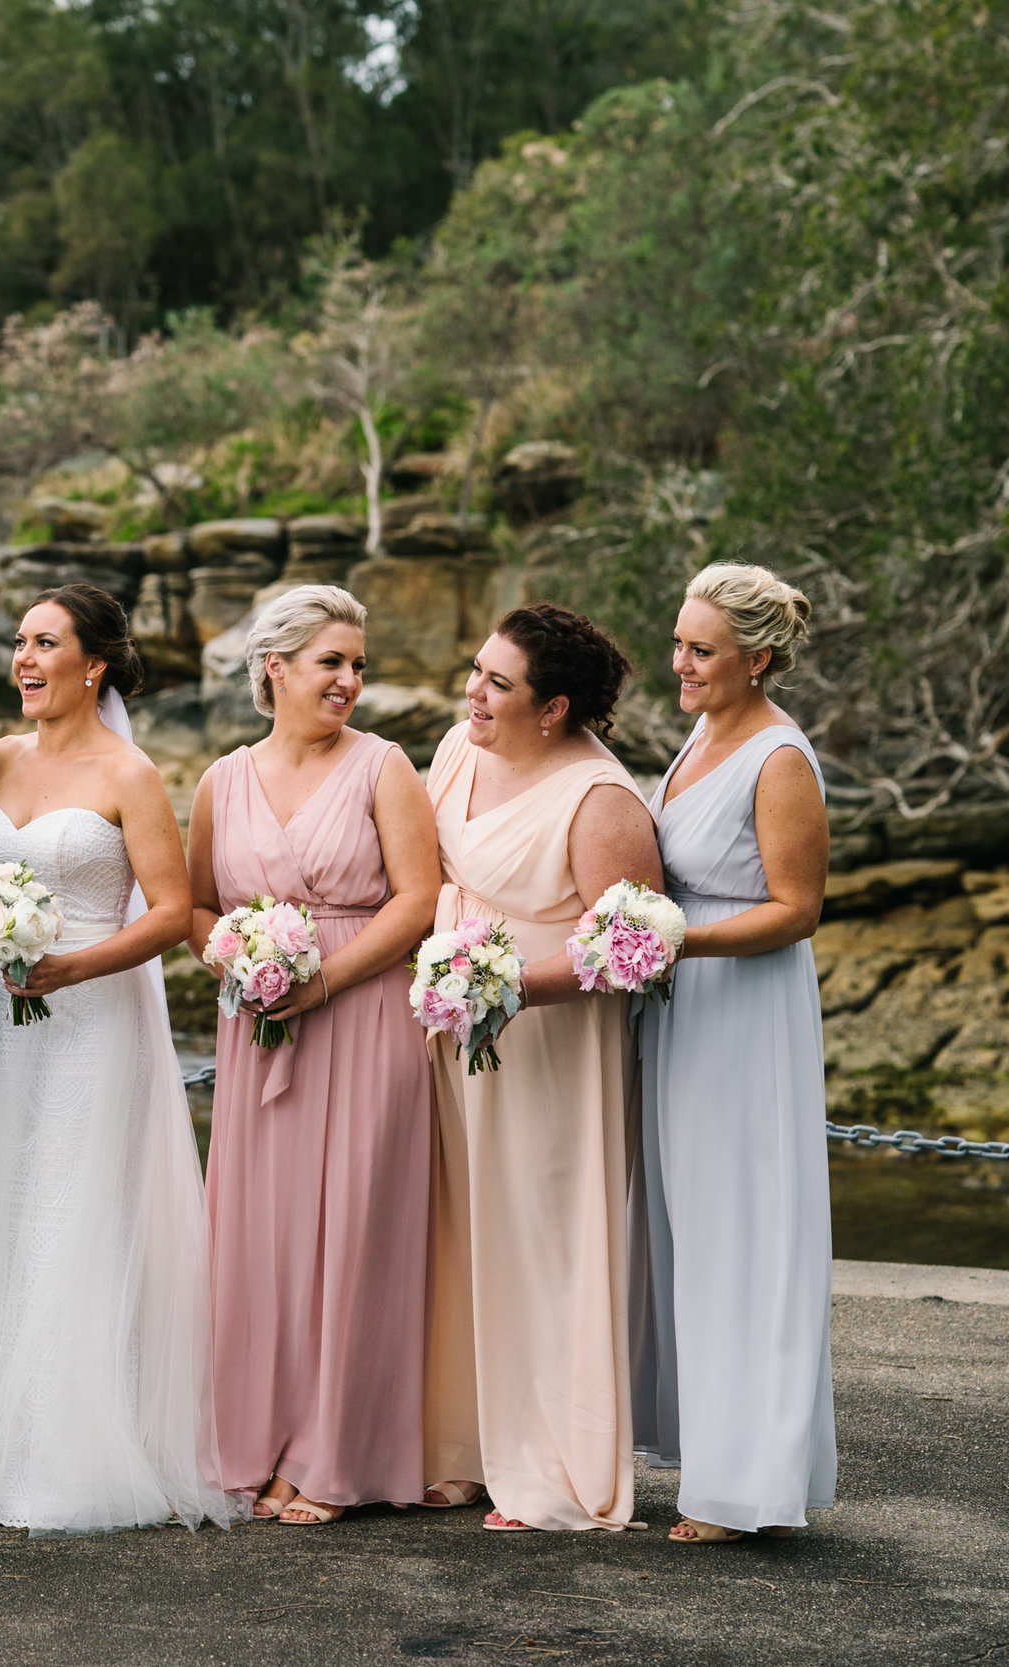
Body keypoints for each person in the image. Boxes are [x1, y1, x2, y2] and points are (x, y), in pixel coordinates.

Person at [0, 584, 236, 1534]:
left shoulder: (130, 774)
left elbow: (169, 911)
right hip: (1, 1021)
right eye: (18, 643)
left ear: (94, 665)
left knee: (76, 1210)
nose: (24, 660)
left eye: (46, 643)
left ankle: (72, 1448)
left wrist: (73, 963)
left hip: (93, 1020)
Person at [188, 586, 440, 1526]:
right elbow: (199, 907)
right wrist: (242, 959)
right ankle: (255, 1441)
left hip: (365, 1014)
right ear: (275, 667)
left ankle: (334, 1454)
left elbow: (419, 901)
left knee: (357, 1235)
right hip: (262, 1027)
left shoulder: (384, 766)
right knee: (263, 1238)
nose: (351, 680)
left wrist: (323, 977)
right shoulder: (222, 779)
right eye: (333, 661)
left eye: (358, 665)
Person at [420, 603, 663, 1533]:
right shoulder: (455, 751)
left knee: (545, 1241)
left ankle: (558, 1468)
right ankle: (468, 1449)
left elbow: (634, 945)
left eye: (497, 684)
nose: (473, 693)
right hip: (457, 1033)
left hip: (552, 1047)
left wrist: (506, 984)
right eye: (476, 671)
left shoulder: (600, 802)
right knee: (464, 1232)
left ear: (554, 707)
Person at [631, 564, 835, 1544]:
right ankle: (710, 1454)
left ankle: (745, 1481)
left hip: (745, 1009)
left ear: (756, 656)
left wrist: (679, 940)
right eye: (678, 642)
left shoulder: (779, 755)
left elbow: (796, 909)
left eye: (700, 650)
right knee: (689, 1225)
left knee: (743, 1230)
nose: (680, 662)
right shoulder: (700, 735)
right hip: (681, 1005)